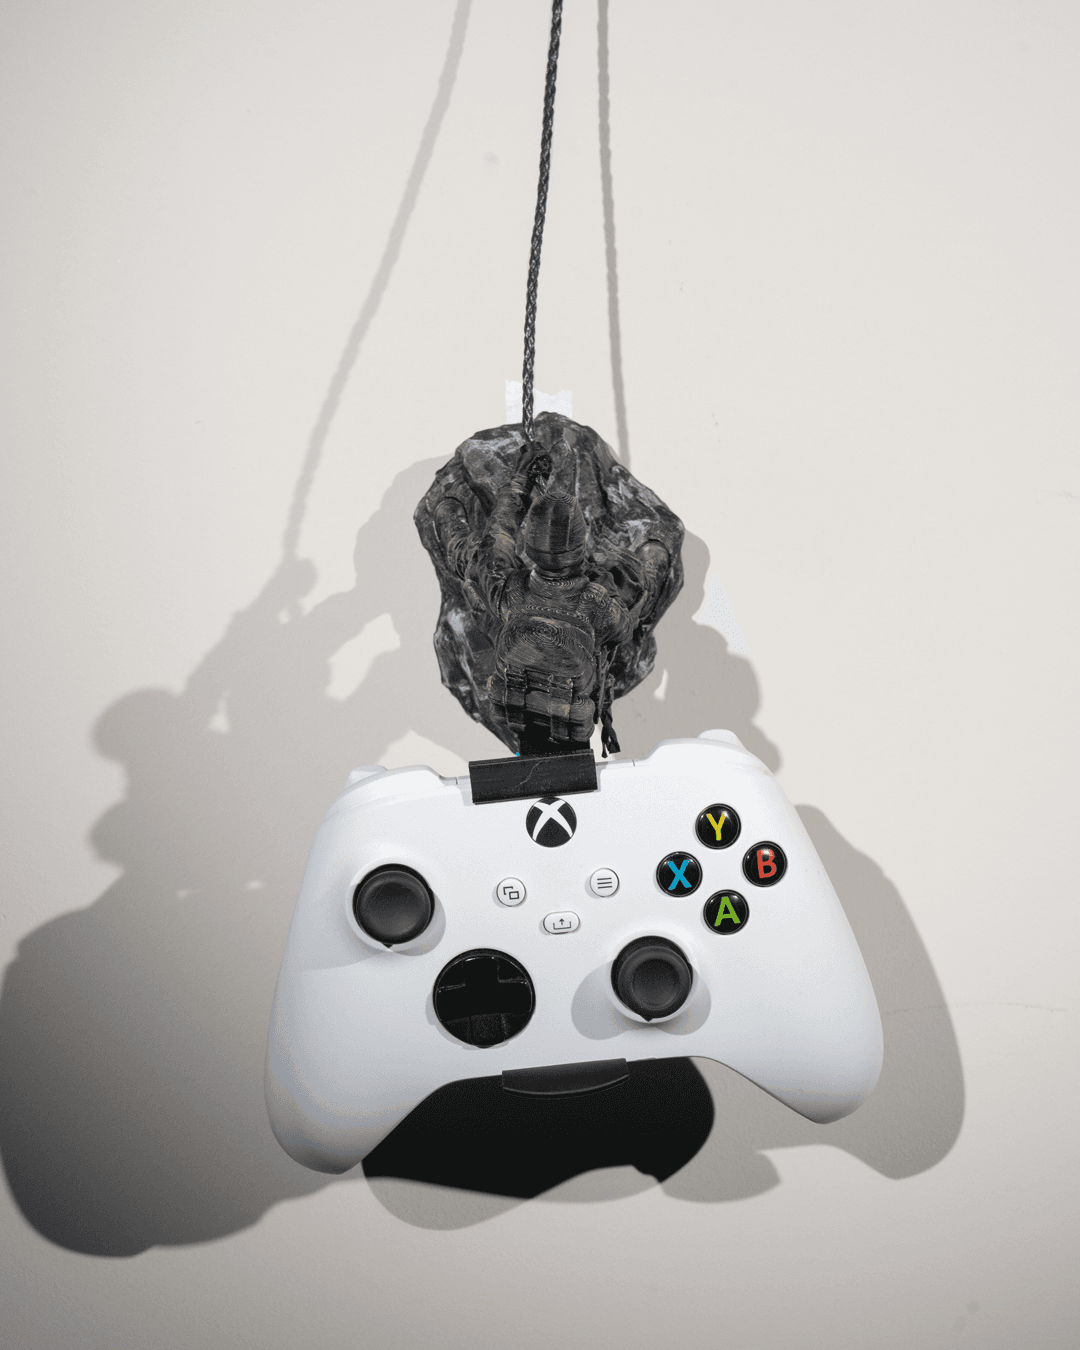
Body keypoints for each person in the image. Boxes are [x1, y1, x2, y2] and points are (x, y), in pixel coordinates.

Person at [432, 441, 670, 756]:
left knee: (471, 562)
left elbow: (496, 541)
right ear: (581, 547)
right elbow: (625, 627)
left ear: (530, 549)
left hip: (515, 700)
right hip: (570, 707)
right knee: (638, 587)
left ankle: (446, 514)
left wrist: (519, 484)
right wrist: (612, 578)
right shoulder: (596, 602)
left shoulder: (511, 590)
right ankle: (655, 555)